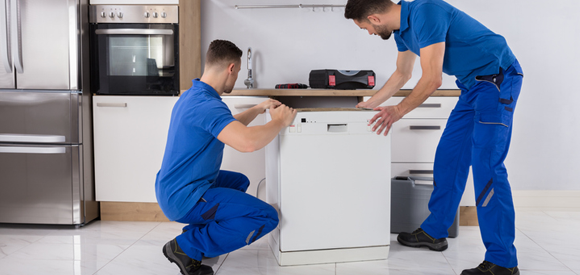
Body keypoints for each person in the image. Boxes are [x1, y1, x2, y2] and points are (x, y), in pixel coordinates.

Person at [344, 1, 523, 274]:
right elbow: (402, 73)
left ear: (374, 18)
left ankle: (503, 261)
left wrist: (397, 111)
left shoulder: (426, 11)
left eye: (364, 27)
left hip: (497, 79)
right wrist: (368, 104)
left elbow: (432, 79)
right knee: (449, 158)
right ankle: (434, 231)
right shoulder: (403, 32)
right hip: (471, 85)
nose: (368, 32)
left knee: (487, 166)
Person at [155, 39, 297, 275]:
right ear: (231, 68)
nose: (237, 77)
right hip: (184, 197)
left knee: (238, 182)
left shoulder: (194, 95)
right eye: (238, 72)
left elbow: (227, 129)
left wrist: (257, 109)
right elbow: (247, 143)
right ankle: (187, 246)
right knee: (266, 215)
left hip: (173, 187)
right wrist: (279, 121)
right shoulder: (208, 105)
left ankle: (200, 237)